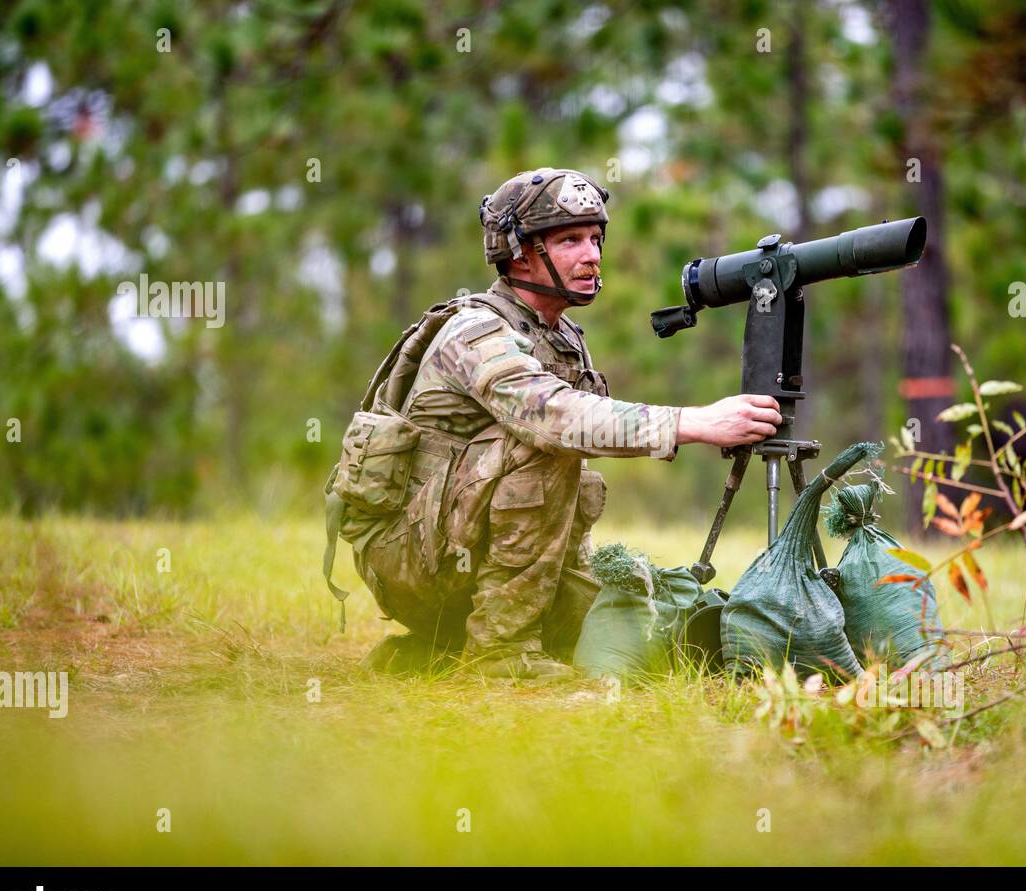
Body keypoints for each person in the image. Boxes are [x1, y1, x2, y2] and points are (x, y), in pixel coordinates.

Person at [330, 167, 781, 681]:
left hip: (466, 556)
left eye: (595, 238)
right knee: (543, 442)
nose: (592, 255)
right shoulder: (475, 331)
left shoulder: (560, 334)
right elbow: (555, 419)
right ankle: (500, 658)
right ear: (519, 251)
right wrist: (692, 422)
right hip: (410, 561)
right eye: (570, 240)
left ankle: (431, 652)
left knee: (648, 638)